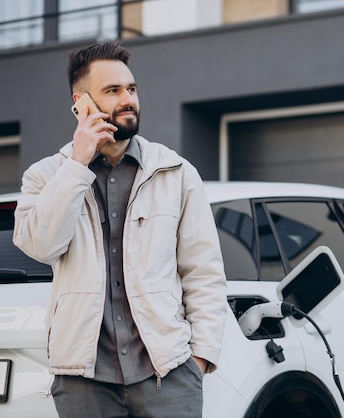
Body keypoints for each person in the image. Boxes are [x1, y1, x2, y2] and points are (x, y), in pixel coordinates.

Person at [13, 41, 228, 418]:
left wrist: (200, 358)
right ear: (81, 104)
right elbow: (40, 245)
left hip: (167, 376)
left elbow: (203, 272)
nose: (128, 99)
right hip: (84, 383)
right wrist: (78, 164)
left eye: (131, 89)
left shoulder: (175, 173)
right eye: (113, 91)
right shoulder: (45, 176)